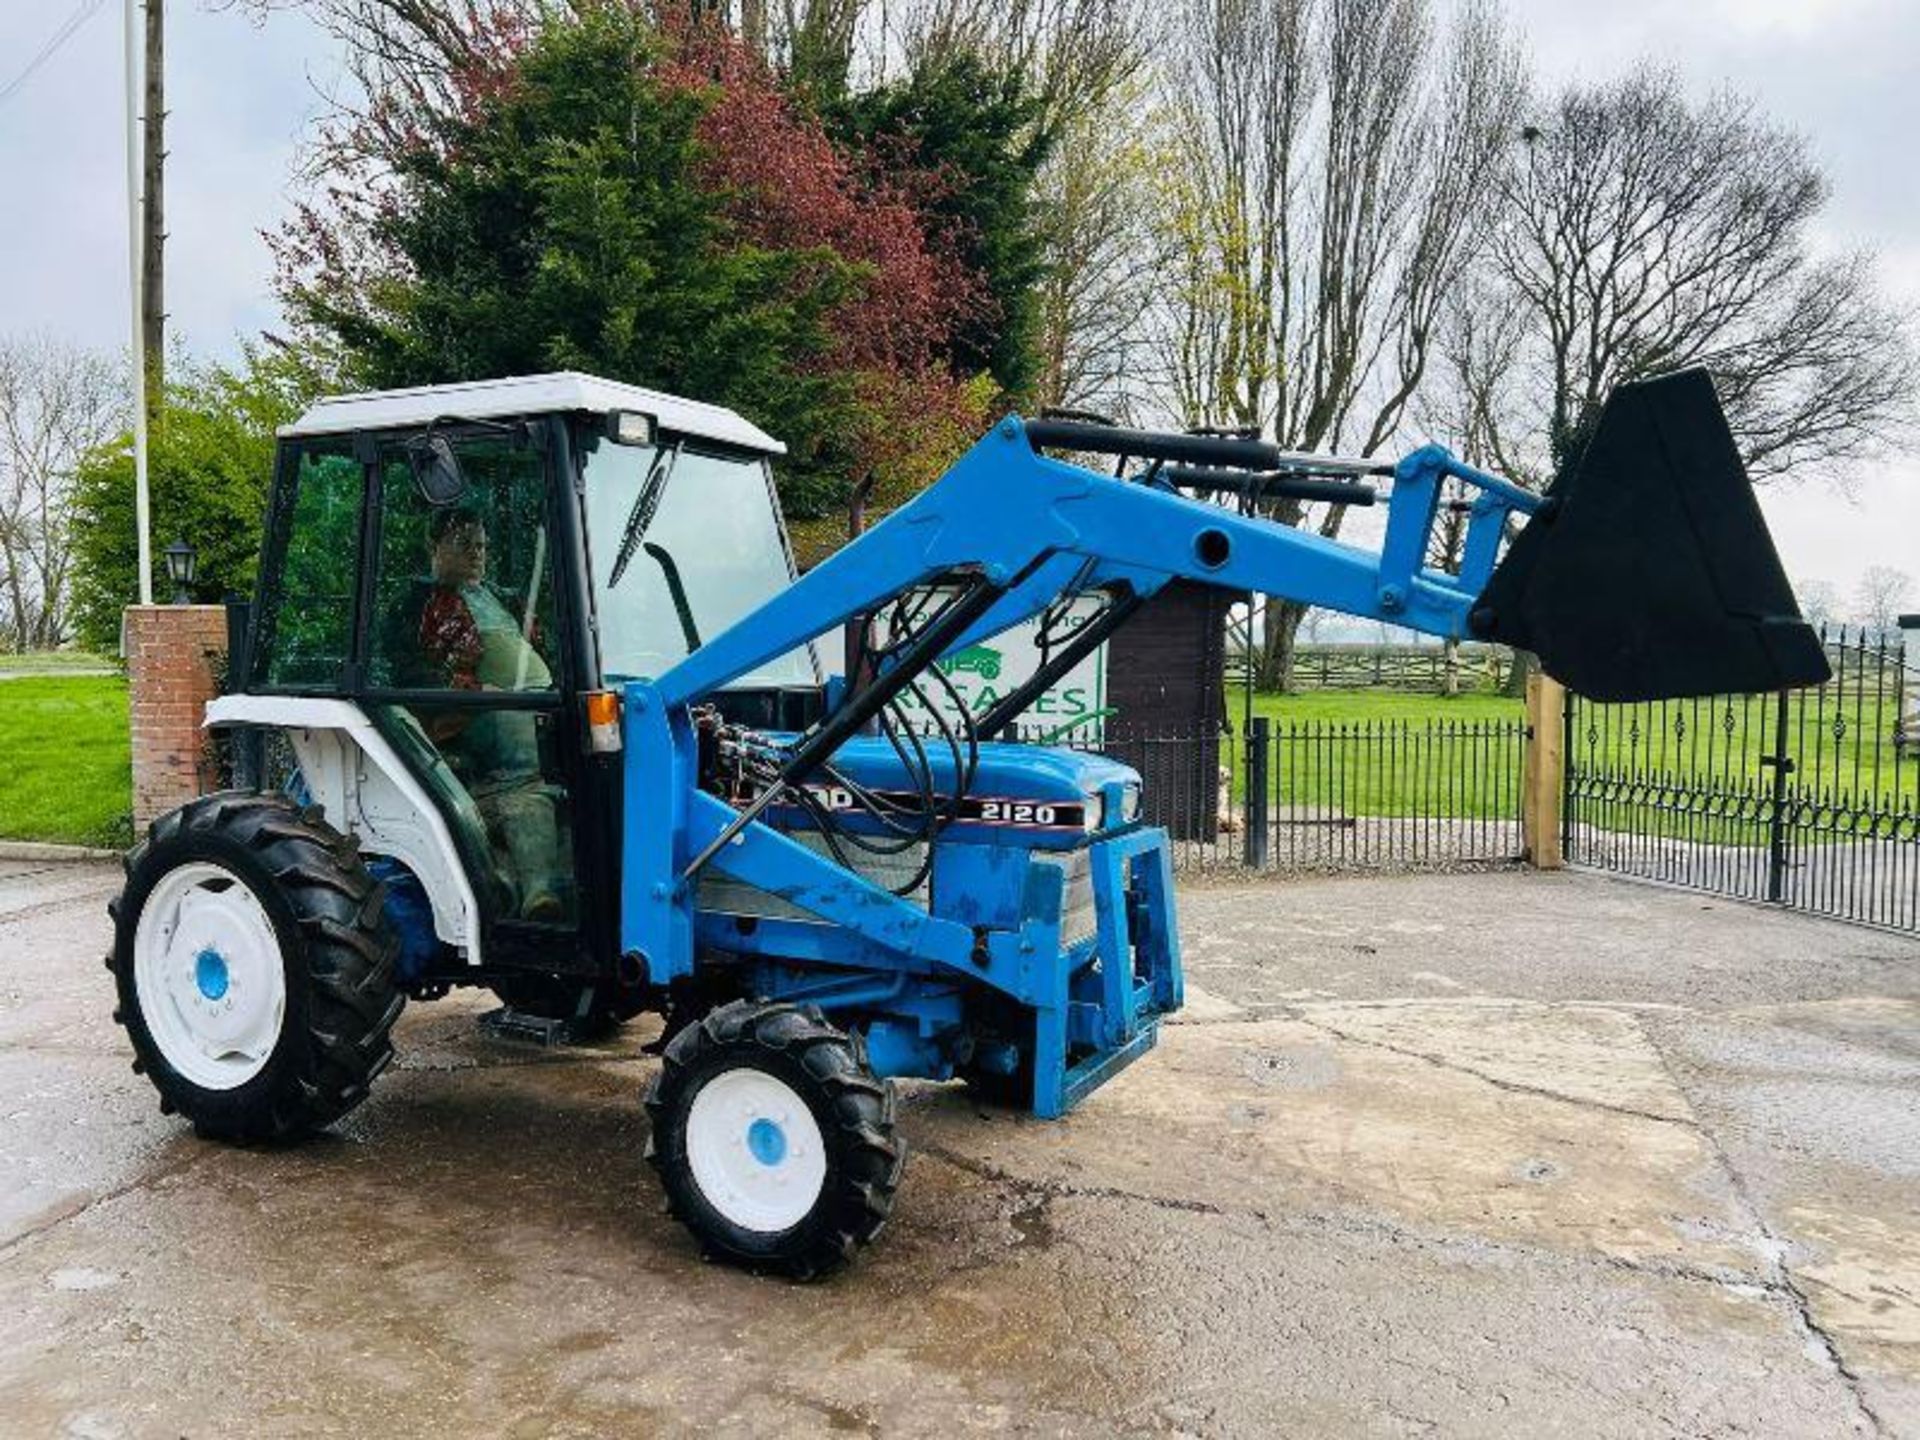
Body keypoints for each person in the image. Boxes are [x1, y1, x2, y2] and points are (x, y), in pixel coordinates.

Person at [414, 505, 567, 922]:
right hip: (489, 720)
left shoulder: (492, 596)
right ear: (436, 547)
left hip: (530, 710)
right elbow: (436, 678)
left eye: (481, 545)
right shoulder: (436, 607)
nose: (477, 554)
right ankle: (539, 893)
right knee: (529, 794)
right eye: (465, 545)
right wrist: (485, 694)